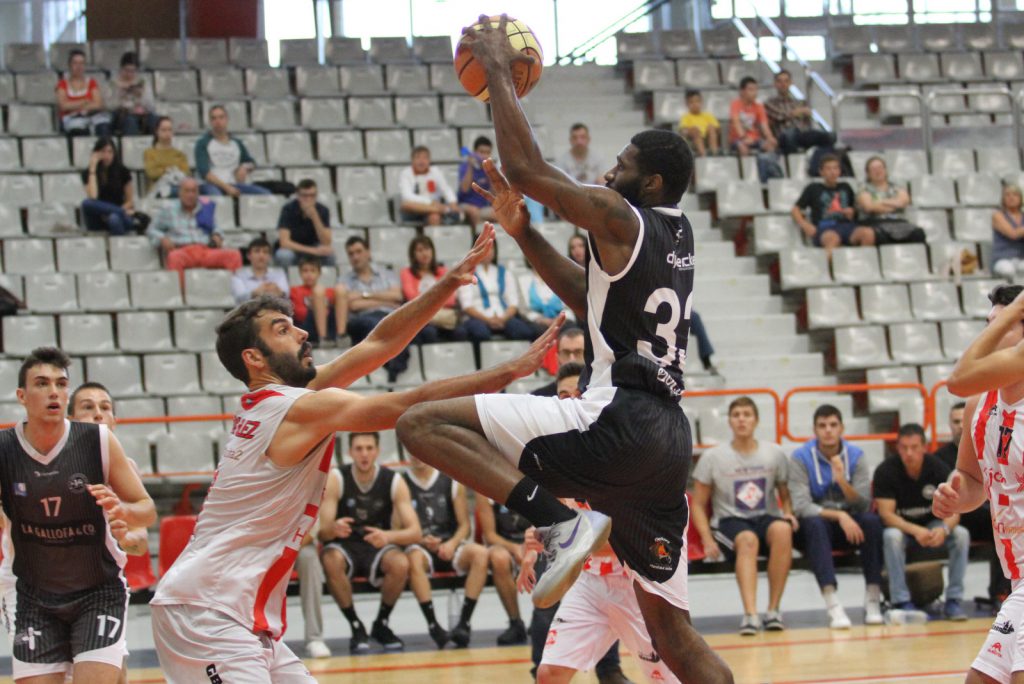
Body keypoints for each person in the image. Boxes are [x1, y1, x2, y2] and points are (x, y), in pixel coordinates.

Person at [397, 16, 734, 684]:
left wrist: (496, 71)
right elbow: (591, 305)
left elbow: (524, 167)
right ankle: (567, 528)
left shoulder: (620, 214)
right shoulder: (674, 235)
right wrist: (522, 233)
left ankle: (558, 524)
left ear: (654, 183)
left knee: (419, 424)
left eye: (625, 165)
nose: (610, 171)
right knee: (672, 633)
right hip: (668, 443)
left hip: (621, 418)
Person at [149, 225, 562, 682]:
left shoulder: (285, 400)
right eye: (283, 329)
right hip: (207, 611)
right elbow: (408, 405)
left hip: (235, 614)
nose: (304, 332)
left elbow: (378, 345)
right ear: (255, 358)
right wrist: (509, 369)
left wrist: (444, 285)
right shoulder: (295, 408)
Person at [0, 348, 155, 683]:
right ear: (22, 396)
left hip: (96, 589)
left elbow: (144, 516)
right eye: (42, 383)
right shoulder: (6, 450)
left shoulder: (103, 448)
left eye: (60, 383)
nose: (53, 391)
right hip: (30, 590)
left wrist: (126, 520)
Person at [522, 362, 634, 684]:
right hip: (589, 583)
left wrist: (562, 539)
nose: (570, 401)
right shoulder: (554, 459)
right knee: (549, 674)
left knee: (670, 674)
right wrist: (533, 546)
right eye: (562, 395)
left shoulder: (620, 456)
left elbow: (626, 542)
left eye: (577, 394)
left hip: (634, 582)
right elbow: (553, 522)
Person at [938, 283, 1024, 683]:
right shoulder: (979, 403)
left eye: (1001, 324)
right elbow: (973, 481)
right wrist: (955, 495)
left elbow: (958, 377)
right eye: (987, 323)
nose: (988, 333)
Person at [689, 396, 796, 635]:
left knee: (783, 530)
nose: (741, 420)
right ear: (730, 422)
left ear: (756, 420)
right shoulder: (713, 458)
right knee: (748, 540)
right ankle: (750, 614)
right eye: (736, 415)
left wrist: (787, 513)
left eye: (747, 414)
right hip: (729, 523)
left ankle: (773, 611)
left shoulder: (774, 453)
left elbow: (784, 492)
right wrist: (706, 539)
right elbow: (698, 504)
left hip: (764, 517)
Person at [319, 432, 420, 652]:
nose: (364, 454)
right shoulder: (337, 478)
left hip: (377, 544)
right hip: (345, 545)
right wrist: (333, 528)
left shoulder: (393, 480)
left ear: (377, 451)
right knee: (330, 559)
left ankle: (381, 624)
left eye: (369, 448)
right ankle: (356, 626)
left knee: (401, 563)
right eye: (359, 449)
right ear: (350, 452)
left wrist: (388, 536)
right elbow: (322, 534)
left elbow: (415, 532)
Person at [789, 405, 884, 629]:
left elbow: (864, 503)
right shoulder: (801, 457)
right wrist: (839, 515)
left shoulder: (856, 456)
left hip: (851, 525)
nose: (828, 430)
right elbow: (801, 506)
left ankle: (873, 597)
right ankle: (832, 603)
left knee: (871, 522)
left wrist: (842, 480)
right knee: (814, 524)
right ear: (814, 430)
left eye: (833, 425)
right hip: (817, 528)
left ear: (841, 428)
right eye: (822, 426)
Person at [874, 423, 969, 621]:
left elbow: (955, 511)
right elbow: (886, 514)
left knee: (961, 535)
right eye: (904, 447)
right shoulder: (886, 471)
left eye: (914, 447)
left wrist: (943, 529)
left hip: (933, 527)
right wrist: (916, 530)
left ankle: (953, 600)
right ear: (897, 448)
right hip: (904, 529)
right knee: (891, 536)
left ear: (924, 447)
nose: (909, 453)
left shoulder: (937, 468)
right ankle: (901, 601)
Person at [402, 454, 491, 649]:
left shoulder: (451, 480)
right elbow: (399, 526)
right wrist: (420, 539)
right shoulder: (400, 482)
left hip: (449, 544)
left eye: (420, 450)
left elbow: (465, 526)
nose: (417, 456)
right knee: (413, 558)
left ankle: (464, 623)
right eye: (412, 450)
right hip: (420, 545)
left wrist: (451, 544)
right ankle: (433, 625)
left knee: (481, 554)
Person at [932, 400, 1011, 606]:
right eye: (956, 421)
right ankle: (955, 599)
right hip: (964, 516)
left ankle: (1001, 591)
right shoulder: (940, 457)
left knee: (996, 518)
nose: (960, 425)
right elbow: (971, 484)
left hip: (997, 512)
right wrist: (950, 502)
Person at [340, 236, 408, 381]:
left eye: (358, 251)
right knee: (375, 324)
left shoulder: (387, 274)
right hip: (361, 320)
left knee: (403, 325)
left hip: (386, 316)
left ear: (368, 252)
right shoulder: (344, 280)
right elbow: (353, 305)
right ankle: (391, 365)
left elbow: (397, 296)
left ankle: (392, 365)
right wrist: (384, 300)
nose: (355, 257)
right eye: (351, 254)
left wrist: (364, 296)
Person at [147, 177, 242, 281]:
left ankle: (236, 292)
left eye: (193, 191)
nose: (190, 195)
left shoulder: (205, 208)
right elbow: (151, 229)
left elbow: (216, 227)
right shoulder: (169, 210)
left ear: (198, 193)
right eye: (187, 191)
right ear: (180, 193)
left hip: (206, 250)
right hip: (183, 250)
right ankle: (180, 296)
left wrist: (217, 235)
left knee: (234, 255)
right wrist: (162, 238)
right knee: (174, 257)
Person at [475, 489, 531, 646]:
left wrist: (530, 548)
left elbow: (546, 524)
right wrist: (515, 549)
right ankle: (515, 622)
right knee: (498, 558)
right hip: (504, 544)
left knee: (553, 553)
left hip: (534, 541)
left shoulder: (535, 479)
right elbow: (490, 535)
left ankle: (542, 617)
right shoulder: (484, 487)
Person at [792, 154, 875, 258]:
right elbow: (796, 209)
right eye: (828, 169)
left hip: (847, 226)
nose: (832, 172)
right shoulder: (813, 188)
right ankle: (830, 271)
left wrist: (852, 212)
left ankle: (862, 266)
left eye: (835, 168)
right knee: (833, 238)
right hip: (824, 227)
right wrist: (805, 225)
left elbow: (856, 209)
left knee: (868, 233)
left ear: (839, 171)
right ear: (821, 172)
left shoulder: (846, 187)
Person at [457, 241, 538, 344]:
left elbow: (513, 303)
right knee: (480, 333)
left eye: (491, 248)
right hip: (477, 317)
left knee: (523, 331)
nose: (488, 252)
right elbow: (467, 306)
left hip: (503, 316)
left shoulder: (505, 273)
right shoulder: (467, 274)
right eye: (484, 248)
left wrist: (502, 319)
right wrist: (488, 320)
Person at [194, 105, 270, 197]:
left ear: (227, 119)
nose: (218, 121)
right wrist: (227, 188)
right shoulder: (202, 143)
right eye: (214, 118)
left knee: (265, 194)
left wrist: (245, 167)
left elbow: (251, 162)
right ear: (210, 122)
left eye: (221, 117)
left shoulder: (236, 143)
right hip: (211, 185)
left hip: (234, 184)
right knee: (217, 198)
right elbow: (205, 173)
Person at [399, 235, 464, 344]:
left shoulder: (443, 271)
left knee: (461, 332)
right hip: (420, 318)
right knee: (429, 333)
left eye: (427, 249)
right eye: (420, 250)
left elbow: (451, 299)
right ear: (413, 254)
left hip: (443, 316)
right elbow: (412, 298)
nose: (424, 253)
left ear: (432, 251)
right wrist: (438, 298)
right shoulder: (407, 273)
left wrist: (427, 302)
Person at [763, 70, 835, 157]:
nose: (783, 84)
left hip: (802, 134)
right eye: (780, 81)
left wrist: (798, 113)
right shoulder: (770, 102)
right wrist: (796, 112)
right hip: (783, 136)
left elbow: (806, 119)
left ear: (791, 83)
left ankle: (818, 164)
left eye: (786, 81)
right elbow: (779, 116)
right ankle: (794, 163)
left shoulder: (800, 102)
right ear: (775, 84)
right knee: (790, 134)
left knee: (830, 136)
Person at [855, 156, 925, 245]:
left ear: (885, 170)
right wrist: (894, 204)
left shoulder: (897, 187)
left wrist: (881, 202)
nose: (878, 171)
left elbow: (903, 202)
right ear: (868, 173)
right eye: (873, 169)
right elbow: (869, 207)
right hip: (874, 222)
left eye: (880, 167)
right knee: (876, 235)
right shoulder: (863, 189)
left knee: (918, 233)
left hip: (899, 222)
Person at [275, 179, 336, 268]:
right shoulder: (288, 209)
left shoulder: (323, 210)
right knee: (284, 255)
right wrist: (312, 250)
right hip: (294, 248)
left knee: (330, 255)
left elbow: (326, 242)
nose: (308, 199)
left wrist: (315, 217)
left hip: (314, 245)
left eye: (312, 196)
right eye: (304, 196)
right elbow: (284, 242)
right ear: (298, 196)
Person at [82, 137, 134, 236]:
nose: (107, 155)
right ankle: (117, 211)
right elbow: (93, 197)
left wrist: (117, 211)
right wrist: (92, 168)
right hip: (99, 217)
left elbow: (130, 201)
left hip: (120, 216)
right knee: (86, 203)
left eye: (110, 152)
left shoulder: (123, 171)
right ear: (96, 153)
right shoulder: (87, 173)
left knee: (114, 218)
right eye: (103, 152)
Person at [289, 256, 346, 346]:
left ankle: (341, 336)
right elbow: (300, 314)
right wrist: (319, 308)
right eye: (305, 271)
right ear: (300, 273)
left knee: (340, 288)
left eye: (312, 271)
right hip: (308, 324)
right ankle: (323, 338)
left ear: (319, 273)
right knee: (318, 291)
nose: (309, 274)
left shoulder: (329, 291)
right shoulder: (295, 290)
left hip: (330, 323)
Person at [399, 146, 461, 226]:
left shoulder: (435, 171)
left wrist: (452, 203)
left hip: (433, 211)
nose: (421, 161)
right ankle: (445, 210)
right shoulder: (406, 173)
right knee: (405, 204)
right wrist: (431, 203)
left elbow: (446, 189)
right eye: (418, 158)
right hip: (414, 211)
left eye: (425, 158)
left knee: (434, 216)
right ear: (412, 160)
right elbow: (407, 196)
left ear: (429, 160)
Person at [56, 48, 110, 136]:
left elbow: (98, 104)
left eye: (81, 63)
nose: (79, 66)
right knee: (78, 129)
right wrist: (85, 101)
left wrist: (75, 105)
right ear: (70, 65)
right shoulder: (62, 84)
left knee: (103, 125)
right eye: (75, 63)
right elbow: (63, 106)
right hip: (71, 118)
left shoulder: (92, 82)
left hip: (91, 116)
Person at [106, 51, 156, 136]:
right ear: (121, 69)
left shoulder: (143, 82)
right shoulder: (112, 83)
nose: (129, 74)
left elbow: (151, 106)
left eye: (133, 71)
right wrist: (120, 95)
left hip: (141, 114)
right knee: (130, 121)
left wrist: (141, 96)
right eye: (127, 70)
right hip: (121, 115)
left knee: (155, 120)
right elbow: (108, 106)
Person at [729, 77, 776, 159]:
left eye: (756, 90)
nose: (754, 93)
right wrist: (744, 138)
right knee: (743, 148)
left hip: (755, 139)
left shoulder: (759, 106)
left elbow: (764, 126)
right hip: (738, 139)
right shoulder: (735, 104)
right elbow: (736, 123)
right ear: (742, 91)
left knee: (769, 147)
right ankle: (747, 171)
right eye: (750, 90)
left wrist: (770, 138)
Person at [231, 237, 289, 304]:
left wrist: (279, 292)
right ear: (248, 255)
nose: (261, 255)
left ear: (270, 256)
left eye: (265, 252)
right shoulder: (238, 275)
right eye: (257, 251)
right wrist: (255, 293)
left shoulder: (279, 274)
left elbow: (286, 294)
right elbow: (239, 297)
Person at [531, 327, 586, 397]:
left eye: (578, 352)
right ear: (557, 358)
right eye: (566, 353)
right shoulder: (540, 397)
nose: (572, 359)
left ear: (589, 357)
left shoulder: (600, 394)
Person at [143, 116, 189, 198]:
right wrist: (171, 169)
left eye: (170, 130)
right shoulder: (149, 153)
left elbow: (185, 172)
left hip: (178, 185)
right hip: (157, 189)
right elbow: (152, 173)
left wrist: (162, 169)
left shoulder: (180, 154)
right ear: (157, 131)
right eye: (164, 130)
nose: (167, 133)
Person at [459, 136, 496, 231]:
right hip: (465, 205)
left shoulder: (491, 169)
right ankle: (479, 239)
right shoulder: (465, 167)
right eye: (481, 152)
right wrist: (471, 167)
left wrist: (490, 172)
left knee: (500, 213)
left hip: (483, 207)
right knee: (474, 211)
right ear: (475, 152)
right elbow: (464, 189)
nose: (484, 156)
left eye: (487, 153)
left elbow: (494, 193)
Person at [991, 184, 1024, 278]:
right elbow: (1012, 233)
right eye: (1007, 195)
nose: (1011, 197)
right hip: (1002, 259)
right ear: (1003, 199)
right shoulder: (997, 215)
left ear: (1020, 198)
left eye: (1015, 194)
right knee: (1008, 270)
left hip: (1021, 259)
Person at [678, 89, 720, 158]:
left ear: (701, 102)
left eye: (697, 101)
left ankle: (714, 153)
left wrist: (711, 129)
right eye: (691, 102)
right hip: (693, 140)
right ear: (687, 104)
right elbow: (683, 130)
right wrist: (691, 130)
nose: (695, 104)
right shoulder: (686, 117)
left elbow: (717, 129)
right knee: (695, 131)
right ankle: (703, 155)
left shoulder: (708, 115)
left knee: (711, 128)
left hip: (708, 138)